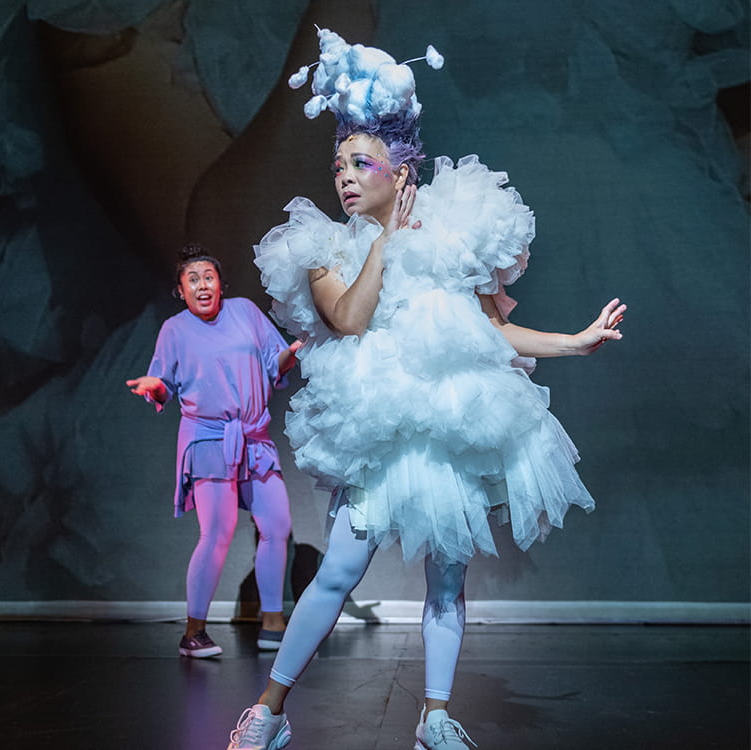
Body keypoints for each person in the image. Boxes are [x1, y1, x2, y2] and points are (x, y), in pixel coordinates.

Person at [225, 30, 625, 750]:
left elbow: (489, 331)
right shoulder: (322, 247)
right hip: (380, 429)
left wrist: (573, 341)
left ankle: (436, 716)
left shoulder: (447, 238)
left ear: (401, 171)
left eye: (361, 163)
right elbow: (348, 319)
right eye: (338, 165)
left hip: (445, 426)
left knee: (447, 580)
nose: (345, 177)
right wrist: (383, 245)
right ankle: (269, 711)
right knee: (339, 569)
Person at [126, 243, 304, 658]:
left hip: (253, 436)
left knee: (277, 525)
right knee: (218, 533)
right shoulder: (175, 329)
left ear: (221, 284)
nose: (202, 285)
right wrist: (156, 387)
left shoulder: (245, 312)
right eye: (193, 280)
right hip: (207, 437)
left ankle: (273, 622)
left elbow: (272, 363)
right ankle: (194, 632)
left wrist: (291, 354)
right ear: (181, 290)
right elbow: (163, 384)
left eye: (208, 277)